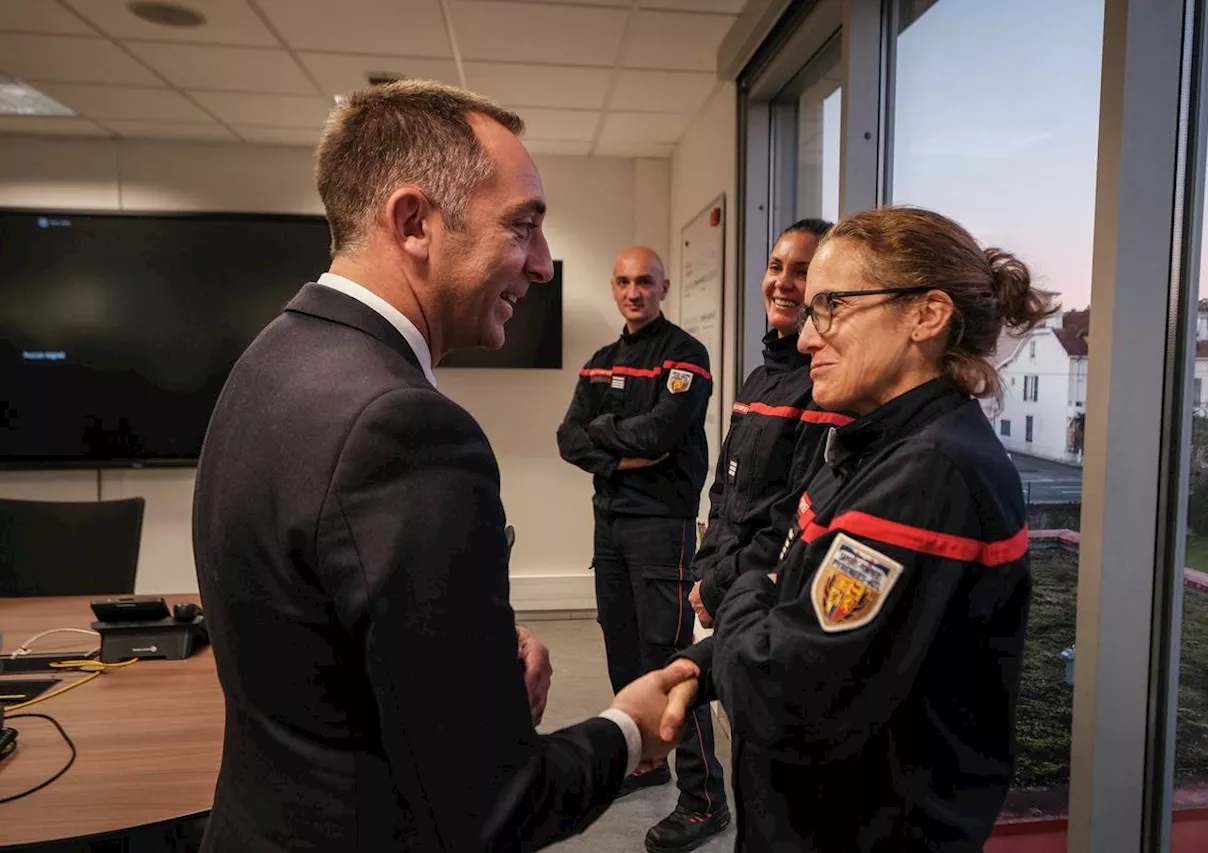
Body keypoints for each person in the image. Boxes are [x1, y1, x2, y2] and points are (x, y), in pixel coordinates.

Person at [192, 80, 696, 853]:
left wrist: (463, 641)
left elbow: (331, 628)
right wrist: (627, 729)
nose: (542, 266)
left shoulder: (270, 360)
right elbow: (496, 806)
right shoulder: (405, 427)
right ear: (414, 222)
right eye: (522, 226)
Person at [659, 206, 1055, 852]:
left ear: (926, 315)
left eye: (832, 307)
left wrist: (742, 592)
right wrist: (699, 667)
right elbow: (797, 609)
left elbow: (778, 692)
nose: (809, 338)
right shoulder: (874, 443)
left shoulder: (929, 474)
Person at [556, 247, 729, 852]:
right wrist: (620, 447)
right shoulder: (601, 363)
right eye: (625, 282)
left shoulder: (685, 355)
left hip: (663, 527)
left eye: (646, 282)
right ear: (614, 288)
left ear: (664, 287)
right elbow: (566, 439)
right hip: (610, 526)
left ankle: (705, 798)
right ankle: (647, 761)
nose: (635, 292)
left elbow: (660, 434)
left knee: (673, 660)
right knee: (623, 649)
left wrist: (604, 441)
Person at [687, 218, 851, 629]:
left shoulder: (824, 387)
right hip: (727, 585)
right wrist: (707, 569)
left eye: (802, 271)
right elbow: (725, 493)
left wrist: (717, 585)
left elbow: (792, 519)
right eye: (776, 267)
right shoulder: (759, 379)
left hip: (768, 599)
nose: (783, 283)